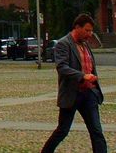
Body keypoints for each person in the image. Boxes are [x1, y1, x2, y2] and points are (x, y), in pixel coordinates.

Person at [40, 13, 107, 153]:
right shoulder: (64, 44)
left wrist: (93, 83)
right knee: (62, 130)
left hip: (89, 94)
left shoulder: (85, 44)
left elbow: (91, 66)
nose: (90, 34)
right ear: (77, 27)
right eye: (87, 30)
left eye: (91, 30)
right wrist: (82, 76)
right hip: (72, 94)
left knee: (97, 131)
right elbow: (62, 67)